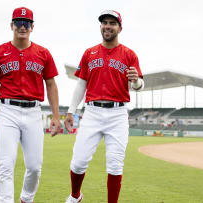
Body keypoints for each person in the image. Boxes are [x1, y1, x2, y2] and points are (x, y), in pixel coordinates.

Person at [0, 7, 61, 203]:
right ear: (11, 25)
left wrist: (56, 116)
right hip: (8, 111)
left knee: (34, 166)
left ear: (32, 27)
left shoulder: (43, 53)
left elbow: (51, 84)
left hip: (34, 112)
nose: (22, 26)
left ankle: (26, 198)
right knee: (6, 165)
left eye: (26, 23)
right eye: (18, 22)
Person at [64, 10, 144, 203]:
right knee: (78, 161)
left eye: (112, 23)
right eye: (104, 23)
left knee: (115, 165)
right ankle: (75, 196)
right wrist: (70, 111)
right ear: (101, 26)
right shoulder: (89, 53)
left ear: (120, 28)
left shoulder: (129, 54)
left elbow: (139, 85)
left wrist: (136, 82)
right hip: (92, 111)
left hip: (117, 113)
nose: (107, 26)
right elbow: (81, 84)